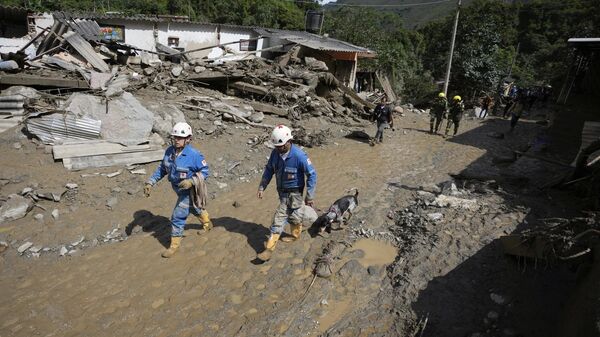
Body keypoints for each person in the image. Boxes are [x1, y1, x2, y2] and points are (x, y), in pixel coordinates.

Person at [144, 122, 212, 258]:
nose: (176, 140)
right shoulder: (169, 152)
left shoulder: (195, 155)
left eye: (180, 138)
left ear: (188, 139)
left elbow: (205, 171)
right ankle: (207, 223)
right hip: (178, 189)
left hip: (189, 191)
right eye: (174, 137)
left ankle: (173, 246)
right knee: (193, 207)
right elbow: (162, 169)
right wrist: (150, 182)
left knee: (177, 217)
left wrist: (191, 181)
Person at [256, 125, 317, 262]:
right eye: (276, 147)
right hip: (282, 192)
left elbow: (312, 174)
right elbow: (269, 170)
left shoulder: (299, 156)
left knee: (286, 217)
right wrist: (262, 187)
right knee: (287, 217)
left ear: (289, 141)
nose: (278, 149)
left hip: (296, 193)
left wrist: (310, 196)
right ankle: (283, 242)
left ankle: (275, 246)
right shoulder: (275, 154)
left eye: (281, 146)